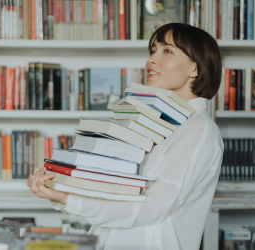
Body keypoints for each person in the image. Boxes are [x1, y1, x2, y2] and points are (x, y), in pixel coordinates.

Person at [27, 23, 224, 250]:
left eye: (167, 51)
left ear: (195, 69)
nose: (151, 60)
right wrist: (59, 188)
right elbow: (117, 193)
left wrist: (67, 199)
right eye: (153, 51)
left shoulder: (199, 128)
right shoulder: (157, 121)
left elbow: (152, 208)